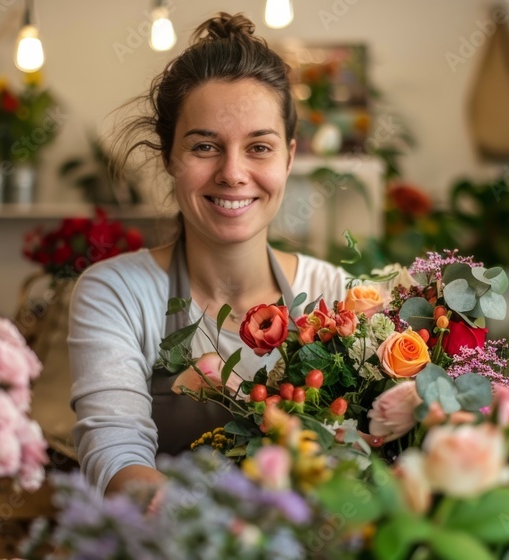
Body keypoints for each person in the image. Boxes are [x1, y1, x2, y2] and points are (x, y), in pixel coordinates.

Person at [68, 12, 350, 496]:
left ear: (288, 156)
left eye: (259, 147)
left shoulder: (332, 293)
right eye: (204, 147)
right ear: (168, 156)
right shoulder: (116, 292)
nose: (233, 173)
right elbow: (114, 452)